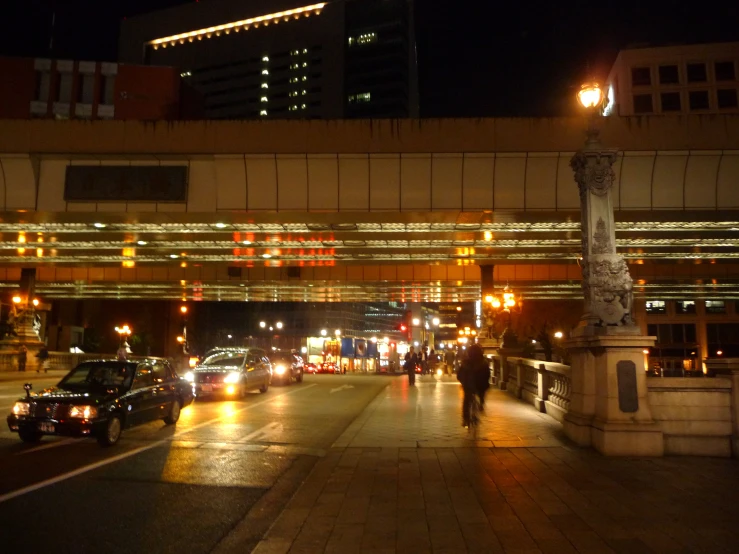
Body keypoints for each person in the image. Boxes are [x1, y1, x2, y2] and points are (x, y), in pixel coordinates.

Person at [457, 344, 491, 427]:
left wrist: (463, 382)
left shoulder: (466, 362)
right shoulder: (484, 362)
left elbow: (459, 374)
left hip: (468, 385)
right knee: (482, 392)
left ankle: (465, 419)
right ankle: (481, 403)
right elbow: (487, 374)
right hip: (481, 384)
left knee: (466, 400)